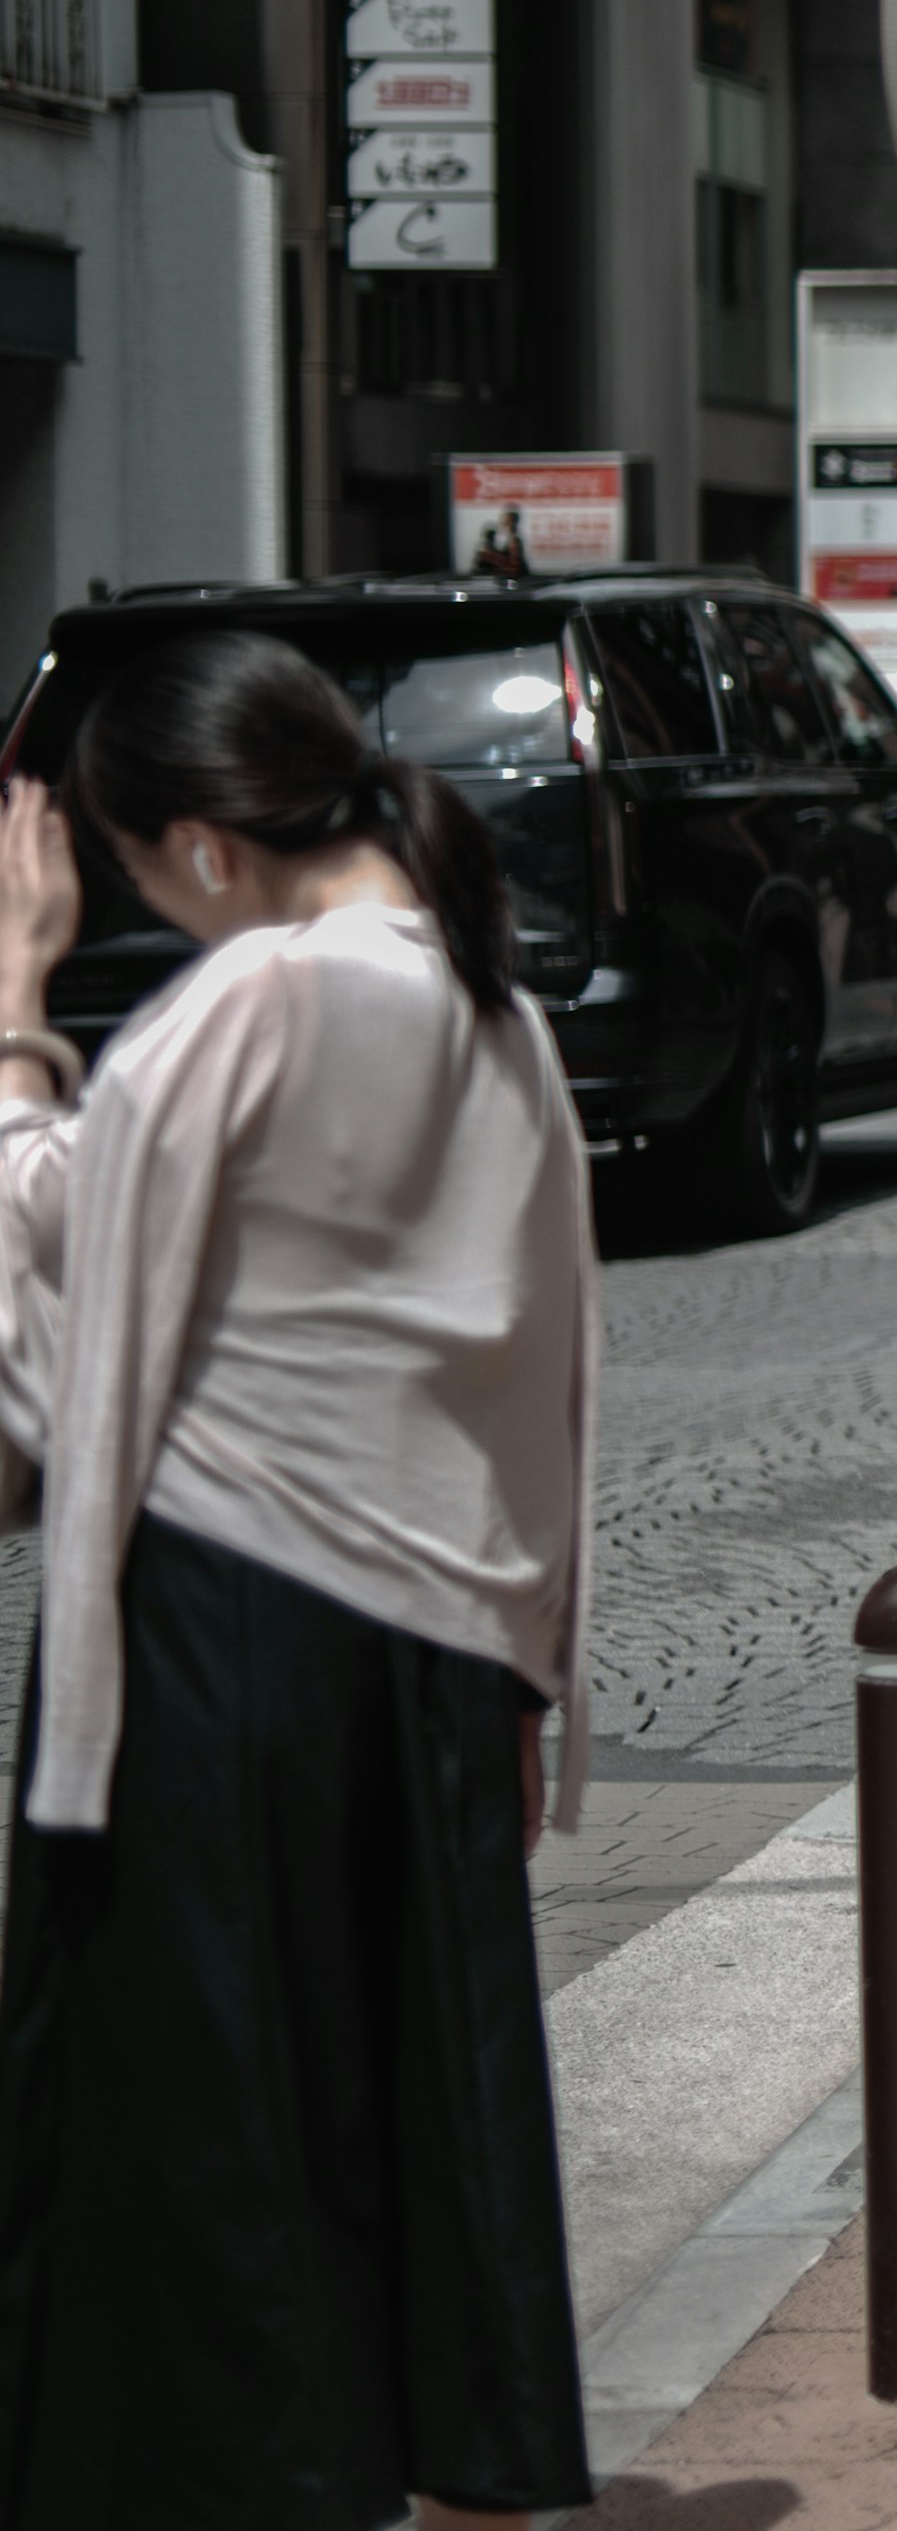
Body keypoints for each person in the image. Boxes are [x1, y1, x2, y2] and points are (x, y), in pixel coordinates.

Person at [0, 631, 600, 2528]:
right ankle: (463, 2481)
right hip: (434, 1639)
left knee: (195, 2118)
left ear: (192, 846)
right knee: (430, 2109)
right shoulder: (495, 1011)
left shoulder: (251, 996)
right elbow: (537, 1368)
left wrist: (15, 1012)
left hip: (219, 1621)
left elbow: (66, 1284)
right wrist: (522, 1671)